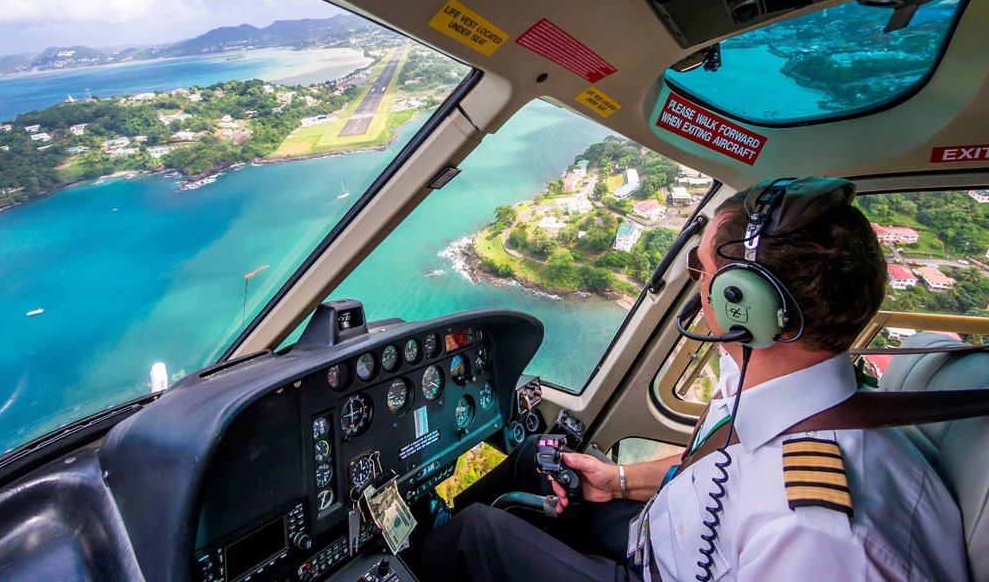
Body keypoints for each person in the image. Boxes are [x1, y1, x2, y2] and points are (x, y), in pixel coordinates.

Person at [415, 178, 969, 581]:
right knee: (538, 455)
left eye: (700, 271)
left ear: (743, 304)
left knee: (476, 536)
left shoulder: (820, 536)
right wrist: (620, 480)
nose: (697, 286)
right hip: (655, 538)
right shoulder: (772, 386)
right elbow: (716, 465)